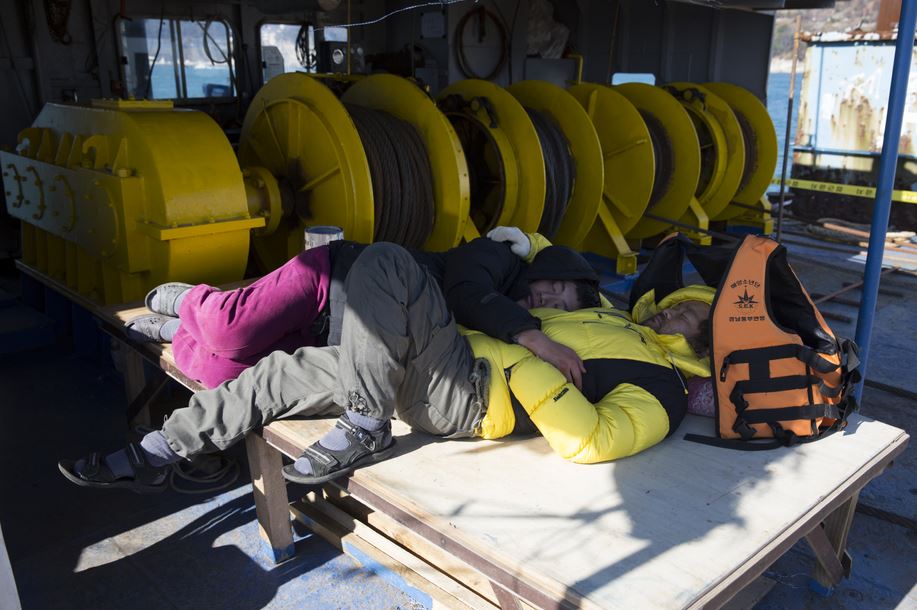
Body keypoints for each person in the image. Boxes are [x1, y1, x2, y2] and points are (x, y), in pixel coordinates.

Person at [59, 243, 712, 493]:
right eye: (679, 308)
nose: (673, 318)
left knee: (388, 261)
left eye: (689, 322)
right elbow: (512, 285)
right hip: (428, 367)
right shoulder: (608, 315)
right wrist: (534, 334)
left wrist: (532, 368)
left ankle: (365, 420)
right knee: (281, 370)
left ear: (700, 347)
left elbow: (591, 441)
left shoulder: (663, 385)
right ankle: (156, 450)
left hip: (472, 392)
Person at [127, 227, 601, 389]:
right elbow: (465, 295)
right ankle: (190, 299)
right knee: (229, 329)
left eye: (560, 304)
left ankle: (174, 331)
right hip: (329, 278)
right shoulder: (494, 257)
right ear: (540, 268)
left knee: (220, 374)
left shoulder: (505, 317)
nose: (547, 299)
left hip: (337, 333)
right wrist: (536, 338)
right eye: (554, 285)